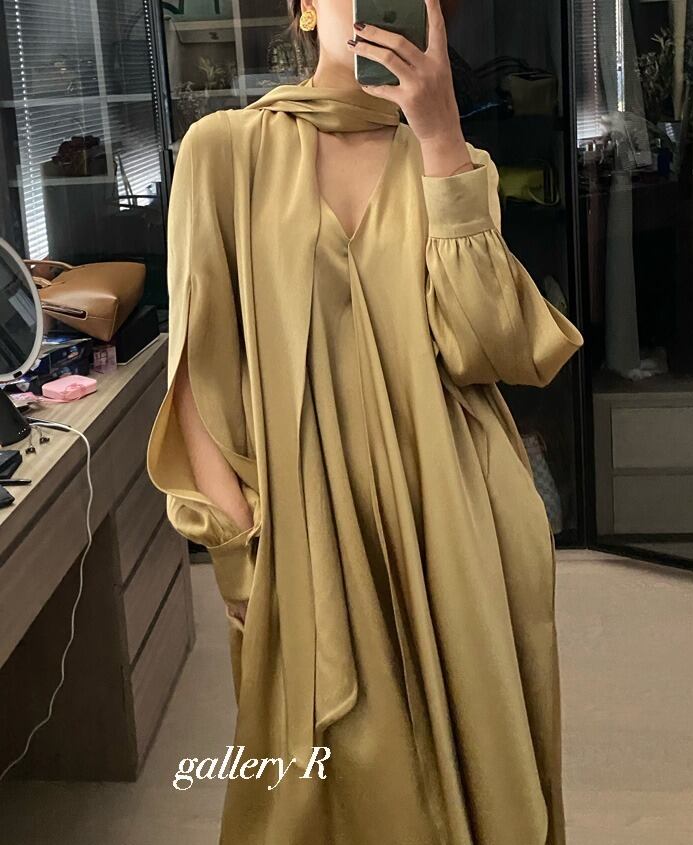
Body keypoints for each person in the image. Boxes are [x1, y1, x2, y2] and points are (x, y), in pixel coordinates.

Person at [146, 0, 584, 842]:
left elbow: (486, 347)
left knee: (481, 780)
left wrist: (443, 140)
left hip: (455, 516)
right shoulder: (224, 150)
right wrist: (240, 548)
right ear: (306, 8)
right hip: (304, 525)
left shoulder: (453, 160)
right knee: (322, 791)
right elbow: (198, 376)